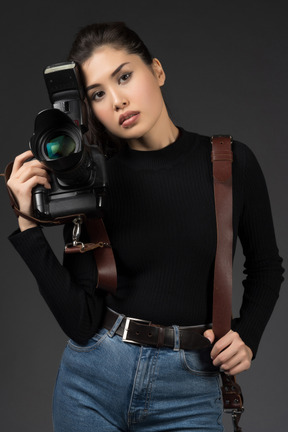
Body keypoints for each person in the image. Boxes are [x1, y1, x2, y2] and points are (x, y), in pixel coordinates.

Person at [6, 22, 284, 431]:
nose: (117, 101)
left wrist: (249, 336)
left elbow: (265, 267)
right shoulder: (92, 181)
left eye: (124, 76)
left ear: (156, 71)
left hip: (190, 387)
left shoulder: (228, 163)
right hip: (92, 384)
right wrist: (28, 225)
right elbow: (81, 322)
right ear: (87, 108)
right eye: (97, 94)